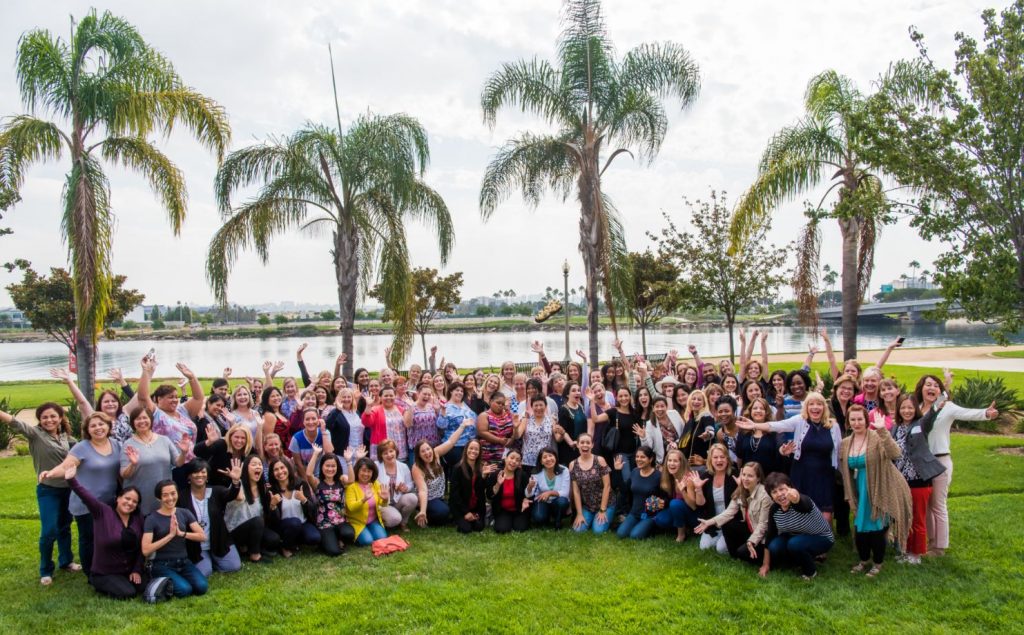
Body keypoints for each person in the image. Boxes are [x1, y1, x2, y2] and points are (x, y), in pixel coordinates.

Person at [915, 374, 998, 556]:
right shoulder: (917, 408)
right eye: (928, 384)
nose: (931, 388)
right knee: (926, 504)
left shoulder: (947, 407)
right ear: (921, 388)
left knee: (938, 505)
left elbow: (967, 413)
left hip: (940, 461)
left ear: (940, 391)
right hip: (921, 462)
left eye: (935, 385)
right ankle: (931, 541)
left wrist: (986, 413)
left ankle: (940, 547)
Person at [1, 403, 79, 585]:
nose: (49, 420)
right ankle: (46, 570)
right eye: (44, 417)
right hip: (48, 490)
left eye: (53, 416)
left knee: (65, 526)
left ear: (60, 418)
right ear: (39, 420)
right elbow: (13, 421)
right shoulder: (35, 434)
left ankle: (66, 561)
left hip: (69, 489)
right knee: (49, 530)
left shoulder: (67, 438)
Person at [736, 392, 842, 524]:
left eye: (819, 404)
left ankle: (824, 535)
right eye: (811, 404)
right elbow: (777, 426)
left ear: (824, 407)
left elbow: (839, 451)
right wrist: (755, 425)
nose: (815, 407)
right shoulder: (800, 421)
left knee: (825, 515)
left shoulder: (833, 426)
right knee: (801, 510)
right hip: (802, 473)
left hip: (824, 475)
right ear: (806, 407)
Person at [38, 412, 121, 578]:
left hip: (109, 502)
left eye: (101, 424)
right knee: (89, 538)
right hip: (86, 503)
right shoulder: (82, 447)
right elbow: (65, 466)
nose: (98, 428)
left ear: (108, 426)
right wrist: (50, 473)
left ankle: (106, 566)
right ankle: (91, 573)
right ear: (87, 430)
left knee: (107, 535)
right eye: (93, 426)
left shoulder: (117, 444)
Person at [839, 405, 913, 578]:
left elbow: (895, 453)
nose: (856, 423)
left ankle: (878, 564)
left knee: (877, 527)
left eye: (860, 419)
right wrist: (849, 495)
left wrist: (882, 431)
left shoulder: (876, 437)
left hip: (880, 487)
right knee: (860, 528)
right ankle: (864, 560)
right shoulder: (845, 443)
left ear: (866, 420)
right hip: (860, 489)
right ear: (848, 422)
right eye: (853, 419)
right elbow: (845, 471)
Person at [65, 466, 144, 599]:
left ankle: (125, 580)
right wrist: (71, 480)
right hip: (105, 572)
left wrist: (136, 569)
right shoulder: (102, 512)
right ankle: (99, 582)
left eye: (134, 501)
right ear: (118, 498)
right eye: (127, 498)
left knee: (144, 586)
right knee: (127, 593)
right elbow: (86, 497)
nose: (130, 503)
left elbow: (142, 547)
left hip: (128, 570)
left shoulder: (137, 519)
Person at [891, 394, 945, 564]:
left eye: (910, 407)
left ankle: (916, 553)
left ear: (916, 409)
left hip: (919, 481)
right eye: (903, 407)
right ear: (898, 410)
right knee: (904, 518)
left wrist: (940, 399)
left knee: (917, 518)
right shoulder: (895, 428)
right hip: (901, 482)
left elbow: (932, 414)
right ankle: (905, 549)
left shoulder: (921, 424)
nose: (907, 411)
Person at [136, 358, 202, 487]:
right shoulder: (156, 414)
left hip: (190, 464)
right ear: (159, 399)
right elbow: (143, 397)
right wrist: (146, 372)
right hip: (170, 467)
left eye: (176, 397)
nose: (175, 400)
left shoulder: (183, 410)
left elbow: (198, 398)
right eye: (170, 397)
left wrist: (192, 378)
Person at [761, 472, 835, 580]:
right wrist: (765, 564)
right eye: (774, 492)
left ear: (790, 488)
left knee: (794, 544)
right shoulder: (774, 509)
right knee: (774, 546)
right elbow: (770, 536)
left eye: (782, 489)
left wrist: (796, 498)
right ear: (771, 496)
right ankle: (798, 563)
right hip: (795, 536)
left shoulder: (803, 501)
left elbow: (801, 503)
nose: (779, 494)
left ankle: (810, 572)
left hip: (821, 537)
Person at [694, 461, 771, 565]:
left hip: (762, 537)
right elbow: (729, 512)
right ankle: (735, 555)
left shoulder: (764, 496)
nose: (745, 478)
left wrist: (751, 541)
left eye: (750, 476)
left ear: (758, 478)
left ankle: (754, 555)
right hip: (750, 530)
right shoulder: (741, 490)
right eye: (744, 475)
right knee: (727, 523)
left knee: (743, 553)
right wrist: (709, 522)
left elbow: (763, 525)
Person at [142, 480, 208, 598]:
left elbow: (202, 536)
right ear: (158, 498)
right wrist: (170, 535)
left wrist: (181, 533)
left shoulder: (184, 513)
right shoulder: (151, 519)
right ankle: (163, 579)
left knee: (202, 587)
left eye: (173, 493)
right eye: (165, 495)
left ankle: (177, 579)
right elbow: (146, 550)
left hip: (183, 561)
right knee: (185, 590)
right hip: (162, 564)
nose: (170, 498)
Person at [178, 459, 243, 576]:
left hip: (218, 541)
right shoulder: (182, 496)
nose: (200, 475)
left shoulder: (215, 491)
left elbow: (231, 495)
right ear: (189, 476)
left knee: (233, 566)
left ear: (207, 476)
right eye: (195, 472)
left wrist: (235, 481)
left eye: (203, 472)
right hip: (196, 545)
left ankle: (213, 559)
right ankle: (207, 561)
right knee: (204, 572)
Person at [120, 407, 190, 516]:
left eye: (145, 418)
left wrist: (184, 453)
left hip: (163, 496)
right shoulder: (128, 444)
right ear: (133, 422)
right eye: (138, 419)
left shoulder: (164, 440)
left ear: (151, 420)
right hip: (140, 496)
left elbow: (178, 463)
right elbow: (124, 474)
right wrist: (133, 464)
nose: (142, 421)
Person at [50, 366, 137, 443]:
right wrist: (69, 381)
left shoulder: (125, 412)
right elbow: (82, 402)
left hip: (128, 455)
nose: (110, 404)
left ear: (118, 403)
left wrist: (122, 380)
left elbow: (140, 397)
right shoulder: (94, 417)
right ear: (100, 404)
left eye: (113, 401)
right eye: (106, 401)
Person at [411, 420, 473, 528]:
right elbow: (423, 490)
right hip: (428, 499)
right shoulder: (417, 467)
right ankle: (424, 515)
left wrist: (462, 426)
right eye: (423, 451)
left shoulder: (436, 454)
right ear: (419, 455)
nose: (427, 453)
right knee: (443, 512)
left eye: (428, 449)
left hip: (440, 497)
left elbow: (451, 442)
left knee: (454, 509)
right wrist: (423, 510)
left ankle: (442, 512)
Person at [224, 454, 281, 564]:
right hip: (235, 530)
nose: (258, 467)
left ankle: (248, 548)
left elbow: (268, 516)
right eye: (254, 464)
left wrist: (272, 505)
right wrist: (236, 479)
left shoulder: (263, 488)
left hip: (254, 529)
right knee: (257, 521)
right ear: (246, 468)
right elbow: (239, 497)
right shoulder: (238, 485)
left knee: (273, 539)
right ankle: (255, 555)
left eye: (260, 464)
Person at [266, 458, 320, 558]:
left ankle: (295, 541)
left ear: (288, 468)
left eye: (282, 467)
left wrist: (304, 500)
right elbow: (271, 521)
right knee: (294, 523)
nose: (280, 472)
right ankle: (285, 547)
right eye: (276, 469)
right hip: (284, 526)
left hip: (303, 523)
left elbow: (313, 509)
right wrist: (272, 506)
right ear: (272, 473)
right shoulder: (271, 491)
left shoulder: (301, 484)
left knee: (314, 538)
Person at [692, 444, 737, 554]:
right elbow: (700, 504)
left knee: (721, 549)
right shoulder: (705, 476)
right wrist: (698, 489)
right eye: (715, 457)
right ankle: (719, 536)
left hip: (730, 520)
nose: (719, 460)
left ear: (727, 459)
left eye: (722, 457)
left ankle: (727, 538)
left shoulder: (735, 475)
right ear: (710, 460)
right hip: (712, 521)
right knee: (705, 547)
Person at [311, 451, 356, 556]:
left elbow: (351, 480)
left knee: (349, 534)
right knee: (334, 552)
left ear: (337, 467)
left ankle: (336, 538)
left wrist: (349, 461)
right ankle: (327, 540)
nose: (330, 469)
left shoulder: (341, 480)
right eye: (327, 466)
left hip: (340, 521)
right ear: (322, 466)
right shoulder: (317, 482)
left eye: (333, 466)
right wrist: (315, 454)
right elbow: (308, 474)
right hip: (325, 524)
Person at [616, 446, 666, 540]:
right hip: (634, 513)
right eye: (637, 456)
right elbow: (624, 490)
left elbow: (665, 497)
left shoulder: (658, 476)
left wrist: (661, 503)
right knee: (621, 534)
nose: (638, 459)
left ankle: (653, 527)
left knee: (635, 536)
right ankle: (638, 525)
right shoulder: (635, 472)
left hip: (650, 515)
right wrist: (618, 471)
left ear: (650, 459)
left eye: (642, 457)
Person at [569, 434, 614, 534]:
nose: (585, 445)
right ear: (577, 445)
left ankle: (605, 516)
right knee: (577, 530)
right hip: (588, 506)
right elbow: (576, 491)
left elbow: (607, 486)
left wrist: (602, 510)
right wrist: (579, 513)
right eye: (582, 442)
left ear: (592, 445)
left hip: (606, 504)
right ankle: (590, 517)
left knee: (598, 531)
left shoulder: (600, 460)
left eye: (588, 443)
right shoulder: (573, 464)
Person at [653, 448, 698, 541]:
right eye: (669, 460)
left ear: (681, 463)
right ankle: (683, 527)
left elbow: (693, 506)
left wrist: (683, 491)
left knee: (675, 503)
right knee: (660, 519)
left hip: (693, 514)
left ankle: (681, 535)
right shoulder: (669, 477)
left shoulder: (688, 478)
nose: (671, 463)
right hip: (678, 511)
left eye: (675, 461)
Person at [448, 439, 492, 534]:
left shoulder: (480, 467)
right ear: (466, 450)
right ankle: (456, 519)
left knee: (479, 527)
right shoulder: (458, 468)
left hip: (475, 507)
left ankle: (472, 518)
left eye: (476, 449)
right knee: (466, 529)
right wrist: (466, 512)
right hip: (460, 507)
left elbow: (480, 492)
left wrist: (484, 476)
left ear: (479, 452)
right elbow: (455, 494)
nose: (473, 451)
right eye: (471, 448)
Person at [345, 458, 390, 546]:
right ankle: (356, 535)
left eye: (369, 471)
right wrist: (364, 499)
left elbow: (383, 504)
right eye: (363, 470)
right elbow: (351, 507)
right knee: (367, 541)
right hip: (357, 522)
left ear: (373, 473)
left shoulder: (375, 484)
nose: (366, 474)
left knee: (382, 538)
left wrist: (385, 499)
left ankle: (370, 530)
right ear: (357, 471)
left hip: (372, 521)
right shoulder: (351, 487)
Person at [437, 381, 478, 477]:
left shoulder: (465, 405)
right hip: (454, 446)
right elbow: (441, 425)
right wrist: (443, 411)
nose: (460, 393)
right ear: (451, 391)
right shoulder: (446, 406)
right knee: (456, 474)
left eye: (461, 391)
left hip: (468, 445)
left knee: (467, 474)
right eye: (457, 390)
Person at [376, 439, 418, 531]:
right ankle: (381, 520)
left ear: (396, 451)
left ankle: (403, 522)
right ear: (381, 455)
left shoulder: (403, 466)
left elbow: (410, 484)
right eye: (385, 453)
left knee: (412, 498)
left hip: (398, 501)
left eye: (391, 451)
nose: (389, 455)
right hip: (383, 504)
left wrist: (405, 488)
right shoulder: (376, 466)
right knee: (394, 519)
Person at [487, 449, 532, 533]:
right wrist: (498, 484)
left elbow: (529, 493)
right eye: (512, 458)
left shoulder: (522, 475)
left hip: (519, 509)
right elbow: (489, 495)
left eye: (517, 460)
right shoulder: (495, 475)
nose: (514, 461)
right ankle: (498, 519)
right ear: (505, 458)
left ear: (519, 463)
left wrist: (526, 499)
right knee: (502, 529)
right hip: (502, 510)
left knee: (520, 528)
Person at [526, 447, 571, 529]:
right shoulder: (536, 472)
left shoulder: (564, 470)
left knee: (562, 501)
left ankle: (558, 520)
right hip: (543, 500)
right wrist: (529, 487)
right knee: (538, 517)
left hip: (558, 500)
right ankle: (547, 517)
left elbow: (565, 493)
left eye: (550, 456)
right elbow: (529, 495)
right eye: (544, 457)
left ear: (555, 457)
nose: (548, 459)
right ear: (541, 461)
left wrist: (549, 493)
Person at [736, 398, 782, 475]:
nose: (758, 410)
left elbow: (778, 458)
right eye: (755, 408)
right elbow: (739, 457)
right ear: (750, 411)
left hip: (769, 477)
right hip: (748, 477)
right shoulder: (743, 432)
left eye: (762, 408)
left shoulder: (773, 432)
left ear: (766, 412)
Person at [289, 408, 335, 483]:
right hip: (304, 474)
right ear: (303, 422)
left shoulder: (325, 432)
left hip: (321, 474)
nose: (311, 422)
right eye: (307, 419)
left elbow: (329, 453)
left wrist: (323, 431)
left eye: (313, 419)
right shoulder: (296, 438)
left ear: (318, 420)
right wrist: (307, 482)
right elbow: (298, 464)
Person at [362, 386, 407, 461]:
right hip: (383, 451)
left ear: (395, 396)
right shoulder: (375, 409)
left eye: (391, 395)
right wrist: (368, 406)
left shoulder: (401, 409)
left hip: (400, 450)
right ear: (380, 397)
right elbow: (366, 422)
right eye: (386, 395)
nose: (388, 397)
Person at [477, 392, 517, 466]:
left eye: (503, 404)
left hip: (505, 457)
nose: (500, 406)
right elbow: (482, 432)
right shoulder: (484, 415)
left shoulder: (508, 415)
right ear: (491, 401)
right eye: (498, 403)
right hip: (488, 457)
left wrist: (511, 439)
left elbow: (512, 432)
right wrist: (499, 440)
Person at [679, 390, 716, 467]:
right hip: (687, 464)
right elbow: (685, 439)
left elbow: (710, 429)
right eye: (693, 399)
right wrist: (675, 443)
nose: (696, 401)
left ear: (704, 403)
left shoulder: (706, 416)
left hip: (701, 465)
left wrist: (708, 434)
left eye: (699, 400)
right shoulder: (690, 420)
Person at [405, 384, 442, 458]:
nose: (427, 396)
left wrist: (438, 410)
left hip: (433, 446)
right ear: (418, 394)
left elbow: (440, 424)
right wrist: (411, 408)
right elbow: (408, 424)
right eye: (424, 394)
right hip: (417, 448)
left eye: (429, 394)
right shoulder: (410, 406)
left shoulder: (432, 407)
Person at [521, 395, 555, 470]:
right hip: (528, 460)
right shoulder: (526, 420)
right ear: (532, 407)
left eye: (541, 405)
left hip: (545, 460)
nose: (538, 408)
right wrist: (515, 427)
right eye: (536, 405)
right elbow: (518, 435)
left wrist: (562, 433)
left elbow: (558, 438)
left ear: (545, 406)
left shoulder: (551, 420)